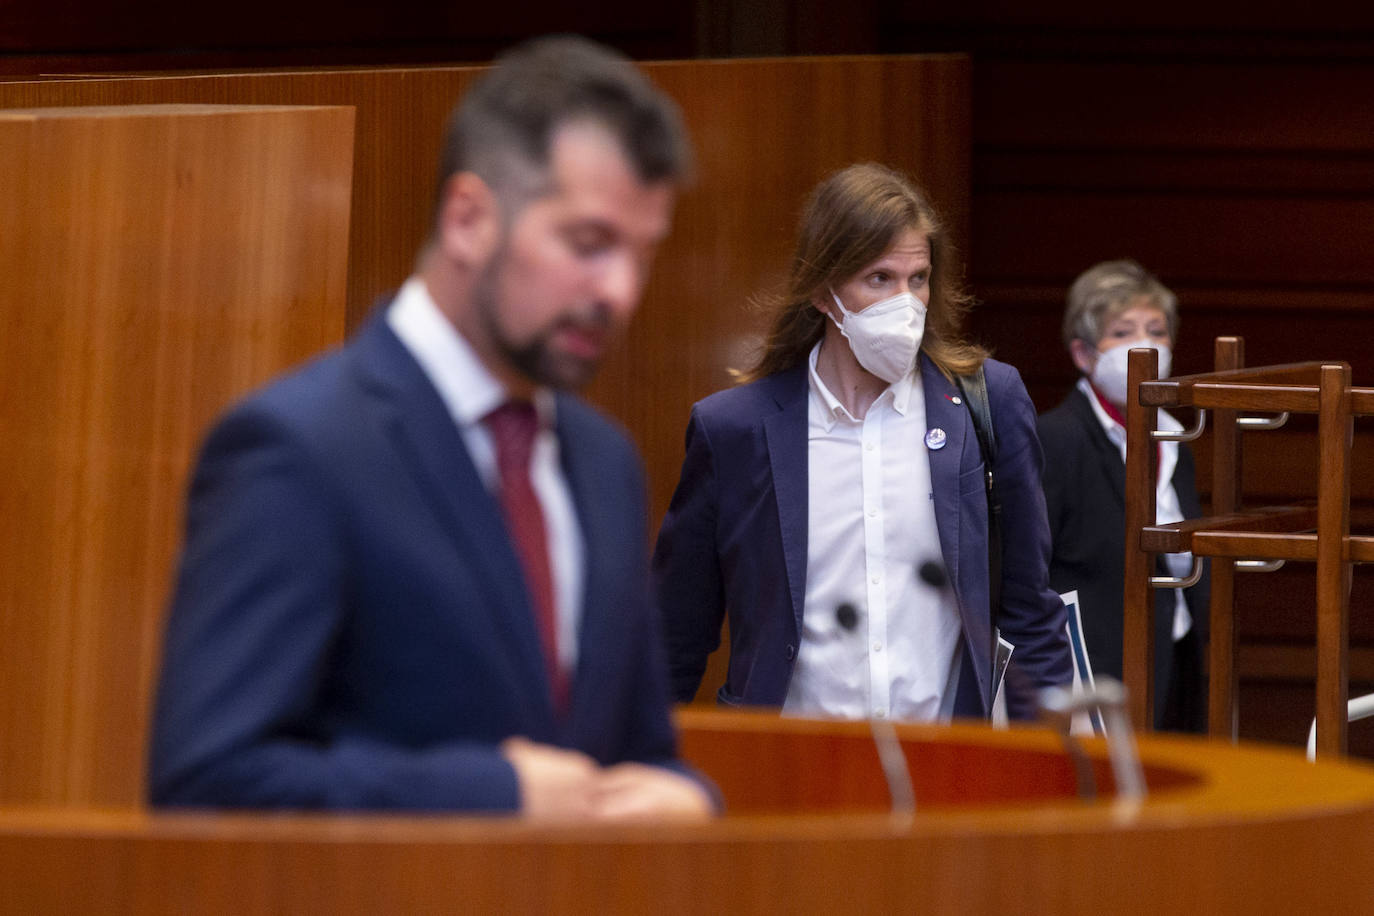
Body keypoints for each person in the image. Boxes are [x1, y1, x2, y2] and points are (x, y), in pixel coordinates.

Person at [149, 36, 715, 819]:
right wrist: (495, 794)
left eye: (642, 255)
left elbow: (638, 753)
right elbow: (206, 784)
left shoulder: (605, 463)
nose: (618, 291)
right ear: (468, 218)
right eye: (589, 244)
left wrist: (688, 798)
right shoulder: (297, 448)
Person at [652, 163, 1072, 722]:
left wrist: (1040, 757)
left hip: (949, 761)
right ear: (824, 292)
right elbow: (674, 634)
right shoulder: (734, 429)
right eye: (879, 279)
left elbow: (1030, 610)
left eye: (917, 279)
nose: (905, 304)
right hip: (791, 771)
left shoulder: (988, 402)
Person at [1037, 260, 1207, 732]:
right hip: (1090, 673)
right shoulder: (1057, 438)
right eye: (1122, 332)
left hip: (1172, 656)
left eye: (1157, 330)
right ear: (1083, 353)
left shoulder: (1177, 437)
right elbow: (1032, 569)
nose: (1145, 344)